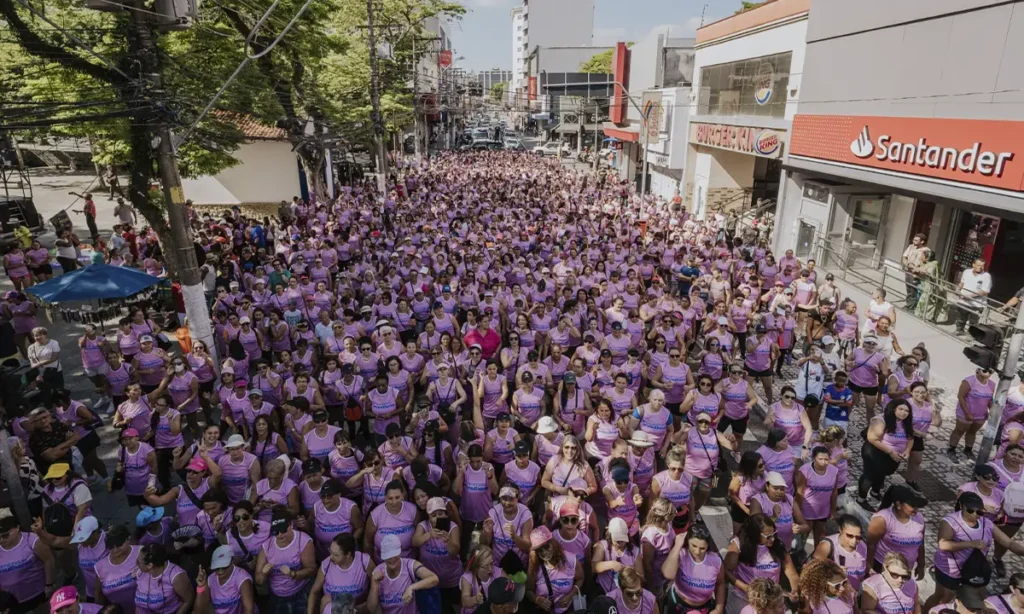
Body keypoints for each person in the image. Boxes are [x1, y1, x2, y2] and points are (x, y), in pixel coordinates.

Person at [723, 514, 799, 614]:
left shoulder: (778, 545)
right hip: (743, 598)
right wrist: (745, 588)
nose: (772, 539)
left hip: (771, 600)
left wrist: (794, 591)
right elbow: (726, 570)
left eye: (774, 534)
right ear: (754, 534)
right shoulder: (739, 545)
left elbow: (792, 575)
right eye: (768, 536)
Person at [255, 506, 317, 613]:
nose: (279, 535)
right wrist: (264, 573)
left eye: (283, 530)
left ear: (291, 525)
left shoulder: (303, 541)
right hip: (276, 595)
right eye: (275, 532)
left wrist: (293, 574)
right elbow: (258, 580)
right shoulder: (266, 546)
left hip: (300, 591)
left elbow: (312, 570)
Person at [858, 400, 914, 508]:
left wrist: (907, 451)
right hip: (875, 451)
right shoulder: (881, 420)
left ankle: (875, 492)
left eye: (907, 410)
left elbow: (911, 438)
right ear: (893, 409)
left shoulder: (906, 421)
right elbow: (872, 438)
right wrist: (891, 452)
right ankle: (861, 499)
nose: (904, 413)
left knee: (882, 473)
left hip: (893, 455)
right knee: (869, 476)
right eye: (901, 409)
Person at [366, 534, 439, 614]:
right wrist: (375, 584)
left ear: (400, 551)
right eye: (388, 556)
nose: (392, 559)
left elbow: (434, 579)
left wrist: (411, 588)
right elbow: (371, 608)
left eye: (394, 554)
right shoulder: (378, 571)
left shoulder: (409, 565)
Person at [660, 525, 725, 614]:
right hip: (678, 605)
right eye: (694, 545)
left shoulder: (715, 561)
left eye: (702, 548)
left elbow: (720, 583)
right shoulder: (681, 554)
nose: (697, 552)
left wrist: (719, 609)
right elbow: (668, 574)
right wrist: (678, 545)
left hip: (704, 608)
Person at [0, 513, 53, 612]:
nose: (1, 540)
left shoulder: (32, 541)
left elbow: (48, 560)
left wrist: (49, 585)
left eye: (5, 536)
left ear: (16, 529)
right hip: (11, 598)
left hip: (36, 593)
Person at [526, 526, 582, 614]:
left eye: (546, 546)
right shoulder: (535, 565)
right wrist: (538, 600)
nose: (544, 552)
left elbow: (581, 579)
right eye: (539, 550)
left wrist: (571, 595)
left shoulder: (571, 560)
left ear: (553, 543)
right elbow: (528, 590)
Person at [133, 543, 195, 614]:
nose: (136, 564)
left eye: (138, 562)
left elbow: (188, 600)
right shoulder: (140, 572)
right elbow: (138, 605)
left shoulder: (176, 577)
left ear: (150, 565)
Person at [196, 544, 257, 614]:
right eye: (217, 568)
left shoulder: (242, 578)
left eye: (224, 567)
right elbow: (199, 611)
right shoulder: (211, 579)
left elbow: (249, 610)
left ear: (232, 561)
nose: (220, 571)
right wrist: (200, 587)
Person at [955, 258, 992, 335]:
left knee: (973, 321)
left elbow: (984, 291)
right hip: (963, 300)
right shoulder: (966, 272)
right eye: (978, 265)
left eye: (982, 266)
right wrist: (958, 289)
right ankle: (959, 330)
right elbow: (962, 282)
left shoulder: (986, 276)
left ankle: (971, 335)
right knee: (961, 318)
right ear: (973, 265)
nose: (980, 267)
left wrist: (971, 296)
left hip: (977, 304)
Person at [901, 234, 928, 310]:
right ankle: (908, 304)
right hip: (908, 271)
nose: (914, 241)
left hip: (916, 273)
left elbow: (926, 263)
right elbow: (904, 257)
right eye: (913, 240)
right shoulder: (911, 247)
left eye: (916, 240)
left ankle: (912, 307)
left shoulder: (925, 250)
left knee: (914, 290)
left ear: (922, 241)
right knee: (908, 288)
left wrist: (916, 268)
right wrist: (908, 264)